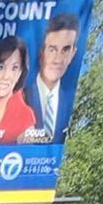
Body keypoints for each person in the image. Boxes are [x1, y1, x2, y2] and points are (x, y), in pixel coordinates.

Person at [24, 14, 79, 142]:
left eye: (65, 50)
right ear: (41, 51)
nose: (58, 59)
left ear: (73, 54)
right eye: (52, 49)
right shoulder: (20, 98)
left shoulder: (73, 103)